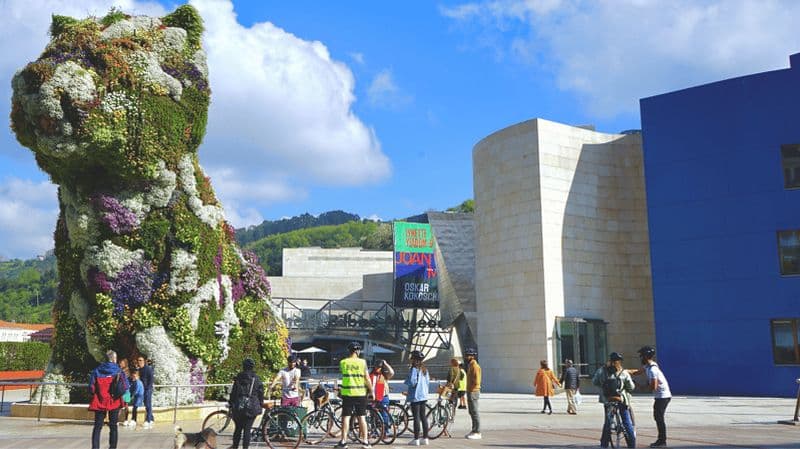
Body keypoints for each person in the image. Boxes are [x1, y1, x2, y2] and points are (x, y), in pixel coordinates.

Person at [335, 341, 374, 449]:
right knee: (362, 417)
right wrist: (372, 391)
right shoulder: (362, 362)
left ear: (349, 351)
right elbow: (367, 378)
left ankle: (343, 441)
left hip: (347, 394)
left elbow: (343, 375)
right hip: (361, 393)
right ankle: (365, 442)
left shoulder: (343, 362)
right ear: (358, 351)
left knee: (346, 417)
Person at [593, 352, 636, 448]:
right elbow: (631, 387)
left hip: (608, 399)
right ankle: (632, 444)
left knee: (608, 422)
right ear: (619, 362)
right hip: (621, 399)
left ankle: (604, 445)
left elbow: (594, 381)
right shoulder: (623, 372)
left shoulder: (602, 371)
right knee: (626, 421)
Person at [89, 350, 129, 449]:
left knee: (97, 427)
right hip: (114, 401)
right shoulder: (119, 371)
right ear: (114, 359)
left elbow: (91, 387)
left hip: (100, 400)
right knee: (113, 426)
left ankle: (95, 447)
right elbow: (126, 386)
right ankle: (112, 447)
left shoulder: (97, 370)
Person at [636, 346, 671, 448]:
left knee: (659, 418)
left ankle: (662, 441)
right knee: (658, 417)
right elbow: (637, 372)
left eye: (641, 356)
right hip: (660, 396)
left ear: (646, 356)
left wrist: (642, 387)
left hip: (663, 396)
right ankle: (661, 440)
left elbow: (654, 386)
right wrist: (624, 371)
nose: (640, 358)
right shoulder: (648, 366)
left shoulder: (652, 369)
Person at [229, 357, 265, 449]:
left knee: (238, 429)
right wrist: (261, 403)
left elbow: (234, 392)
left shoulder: (239, 377)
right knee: (247, 430)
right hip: (252, 406)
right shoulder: (256, 379)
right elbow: (260, 392)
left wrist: (231, 403)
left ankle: (235, 447)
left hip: (239, 406)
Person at [404, 350, 430, 446]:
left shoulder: (414, 369)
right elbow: (427, 382)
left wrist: (407, 382)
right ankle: (425, 438)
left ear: (415, 359)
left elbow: (412, 382)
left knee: (416, 418)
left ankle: (416, 439)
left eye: (412, 359)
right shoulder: (424, 369)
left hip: (415, 396)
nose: (411, 360)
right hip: (423, 395)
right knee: (423, 417)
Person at [369, 359, 394, 433]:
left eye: (379, 367)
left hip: (383, 396)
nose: (378, 368)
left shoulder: (384, 375)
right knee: (373, 415)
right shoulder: (371, 374)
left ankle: (385, 430)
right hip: (373, 397)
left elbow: (392, 372)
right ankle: (374, 430)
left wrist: (385, 364)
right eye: (376, 366)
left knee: (384, 414)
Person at [464, 347, 482, 440]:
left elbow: (477, 381)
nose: (467, 356)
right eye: (466, 355)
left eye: (468, 355)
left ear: (473, 356)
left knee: (474, 412)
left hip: (473, 391)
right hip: (470, 391)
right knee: (471, 412)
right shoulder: (470, 365)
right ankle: (473, 429)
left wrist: (471, 388)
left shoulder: (475, 366)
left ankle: (477, 431)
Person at [136, 355, 154, 429]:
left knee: (148, 404)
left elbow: (151, 379)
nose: (139, 362)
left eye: (140, 360)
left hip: (147, 389)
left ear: (144, 361)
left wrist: (148, 388)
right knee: (146, 404)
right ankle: (152, 418)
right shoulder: (139, 369)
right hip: (142, 389)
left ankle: (148, 420)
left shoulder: (148, 369)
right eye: (138, 360)